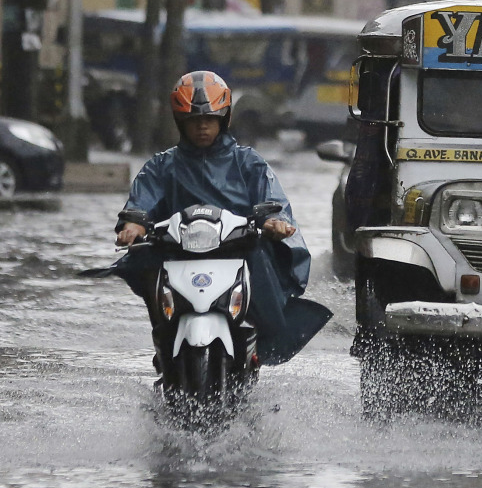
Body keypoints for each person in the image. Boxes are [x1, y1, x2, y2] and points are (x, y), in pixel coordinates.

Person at [112, 71, 329, 366]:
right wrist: (133, 226)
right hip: (177, 251)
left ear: (223, 119)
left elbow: (272, 200)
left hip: (238, 249)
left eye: (209, 120)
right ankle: (163, 338)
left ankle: (262, 338)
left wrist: (273, 222)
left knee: (262, 256)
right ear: (180, 122)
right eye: (194, 121)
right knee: (143, 261)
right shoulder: (162, 165)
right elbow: (142, 202)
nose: (202, 127)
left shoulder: (248, 162)